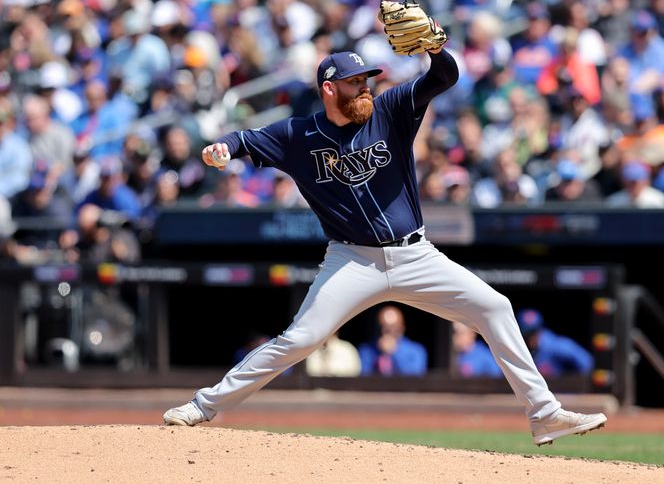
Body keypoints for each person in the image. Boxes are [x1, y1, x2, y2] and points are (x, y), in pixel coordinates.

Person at [162, 44, 607, 445]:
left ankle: (544, 414)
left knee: (495, 307)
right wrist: (219, 148)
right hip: (351, 260)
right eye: (356, 82)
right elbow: (242, 139)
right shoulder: (298, 135)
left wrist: (436, 47)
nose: (365, 88)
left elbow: (444, 77)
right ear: (329, 88)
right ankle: (204, 406)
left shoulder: (389, 109)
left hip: (416, 255)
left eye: (367, 80)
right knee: (301, 338)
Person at [517, 309, 594, 377]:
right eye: (527, 333)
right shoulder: (516, 349)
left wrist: (572, 384)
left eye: (534, 332)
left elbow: (587, 362)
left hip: (559, 391)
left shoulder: (554, 346)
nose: (531, 337)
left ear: (541, 329)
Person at [358, 304, 427, 376]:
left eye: (390, 327)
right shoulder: (366, 350)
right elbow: (364, 377)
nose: (384, 331)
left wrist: (393, 352)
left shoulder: (416, 351)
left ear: (401, 328)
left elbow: (414, 378)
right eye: (381, 326)